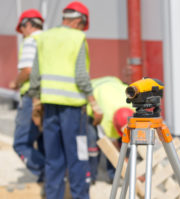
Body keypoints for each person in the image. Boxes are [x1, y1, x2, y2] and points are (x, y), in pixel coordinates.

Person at [28, 2, 102, 199]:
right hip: (73, 110)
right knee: (78, 157)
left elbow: (35, 75)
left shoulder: (44, 37)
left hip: (49, 107)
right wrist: (94, 103)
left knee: (53, 159)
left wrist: (36, 104)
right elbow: (81, 75)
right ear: (79, 21)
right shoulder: (77, 38)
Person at [10, 9, 45, 182]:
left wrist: (16, 82)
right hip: (50, 98)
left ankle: (45, 173)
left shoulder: (31, 41)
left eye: (22, 29)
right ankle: (55, 179)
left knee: (21, 143)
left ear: (28, 25)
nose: (22, 34)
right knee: (45, 142)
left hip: (32, 97)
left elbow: (28, 70)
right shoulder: (48, 40)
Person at [86, 76, 134, 183]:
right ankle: (91, 177)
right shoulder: (106, 118)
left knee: (124, 143)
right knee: (93, 141)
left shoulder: (134, 107)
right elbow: (110, 145)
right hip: (93, 96)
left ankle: (116, 176)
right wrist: (127, 166)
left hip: (113, 82)